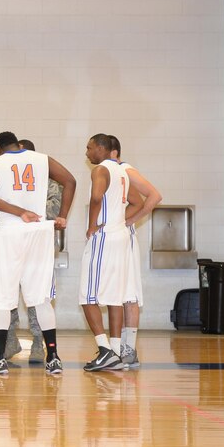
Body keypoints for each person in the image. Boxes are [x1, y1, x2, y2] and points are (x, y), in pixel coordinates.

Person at [0, 131, 76, 376]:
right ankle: (53, 358)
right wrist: (62, 215)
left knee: (2, 298)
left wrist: (19, 211)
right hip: (39, 232)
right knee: (41, 298)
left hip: (9, 233)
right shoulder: (43, 159)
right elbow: (71, 181)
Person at [78, 134, 141, 372]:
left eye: (89, 148)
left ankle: (104, 349)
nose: (87, 153)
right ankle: (114, 351)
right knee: (115, 296)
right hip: (121, 236)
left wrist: (92, 224)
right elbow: (136, 201)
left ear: (101, 148)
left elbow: (96, 197)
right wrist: (120, 220)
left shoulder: (101, 170)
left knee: (87, 296)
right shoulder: (122, 171)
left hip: (104, 238)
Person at [0, 138, 64, 364]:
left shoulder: (50, 182)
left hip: (38, 244)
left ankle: (39, 342)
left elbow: (53, 210)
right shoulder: (7, 179)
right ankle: (10, 340)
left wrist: (21, 211)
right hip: (12, 244)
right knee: (6, 294)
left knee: (38, 296)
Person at [108, 135, 162, 369]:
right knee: (115, 292)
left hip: (124, 238)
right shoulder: (108, 172)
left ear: (113, 152)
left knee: (128, 292)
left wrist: (131, 220)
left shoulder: (125, 169)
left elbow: (154, 196)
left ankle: (128, 349)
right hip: (112, 237)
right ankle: (118, 347)